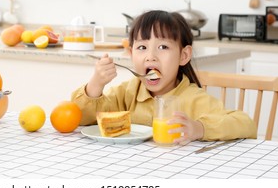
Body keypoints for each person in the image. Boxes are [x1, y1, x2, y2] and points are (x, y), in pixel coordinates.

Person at [71, 10, 257, 143]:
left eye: (163, 47)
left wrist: (199, 128)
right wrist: (95, 85)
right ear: (130, 53)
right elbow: (80, 118)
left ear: (183, 56)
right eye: (142, 47)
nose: (150, 56)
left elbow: (245, 124)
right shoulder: (127, 92)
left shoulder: (193, 99)